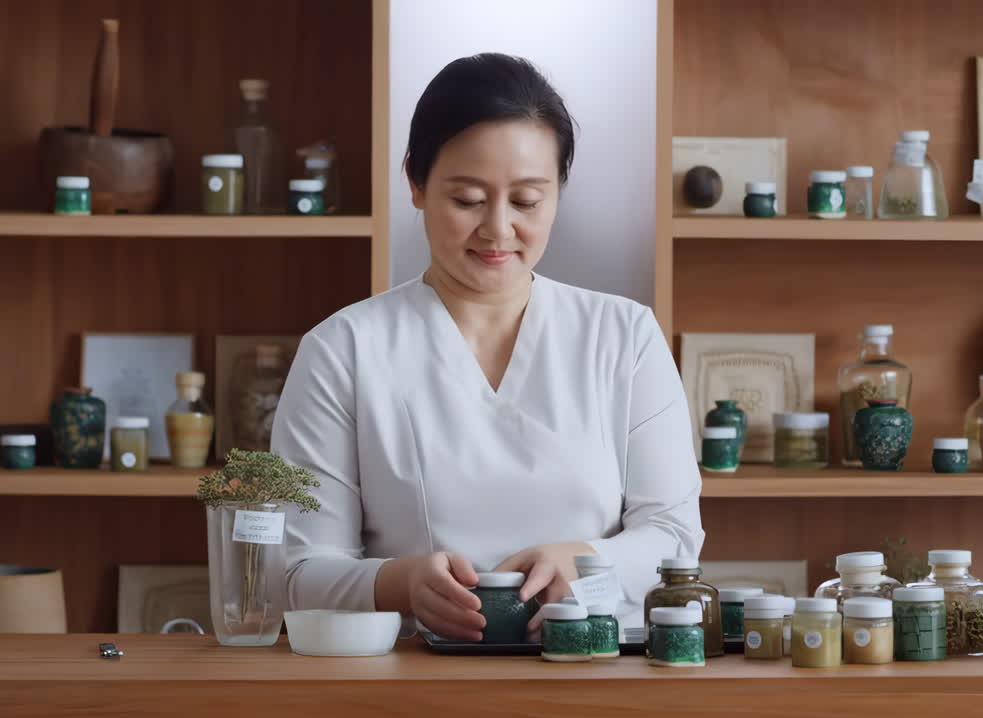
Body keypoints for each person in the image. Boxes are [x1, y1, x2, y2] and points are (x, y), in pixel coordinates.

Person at [272, 53, 703, 641]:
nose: (498, 229)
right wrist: (399, 583)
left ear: (557, 194)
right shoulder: (341, 350)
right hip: (409, 683)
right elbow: (297, 571)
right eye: (469, 199)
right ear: (416, 184)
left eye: (527, 201)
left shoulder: (624, 337)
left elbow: (674, 536)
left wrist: (583, 562)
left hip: (594, 669)